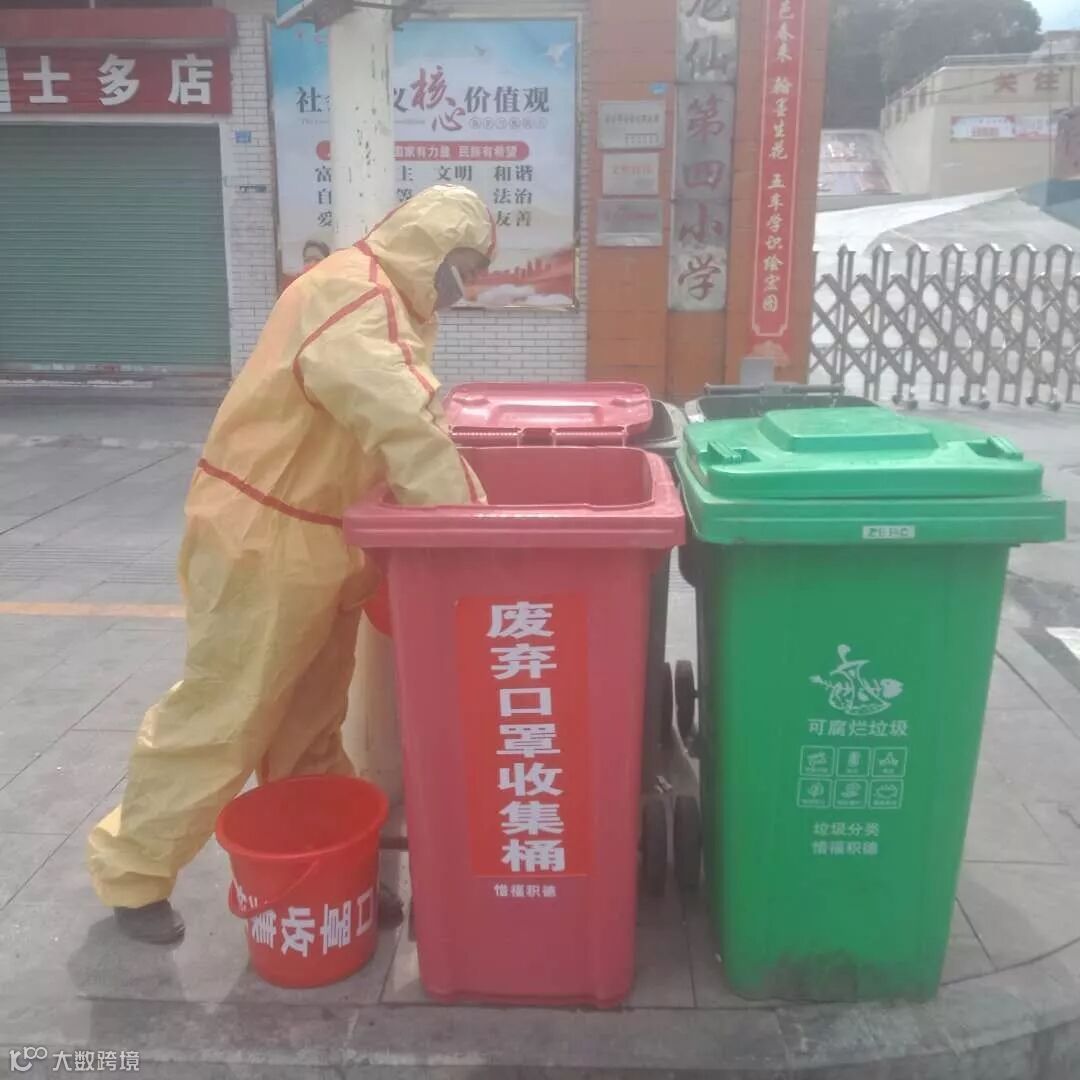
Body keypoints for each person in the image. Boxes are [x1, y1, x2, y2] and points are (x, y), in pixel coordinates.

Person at [87, 186, 495, 944]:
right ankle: (133, 874)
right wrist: (477, 531)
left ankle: (321, 866)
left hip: (318, 539)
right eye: (463, 267)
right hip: (265, 534)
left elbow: (402, 419)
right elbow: (401, 417)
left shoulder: (388, 301)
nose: (464, 287)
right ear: (431, 248)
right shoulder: (353, 295)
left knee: (310, 722)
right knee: (223, 712)